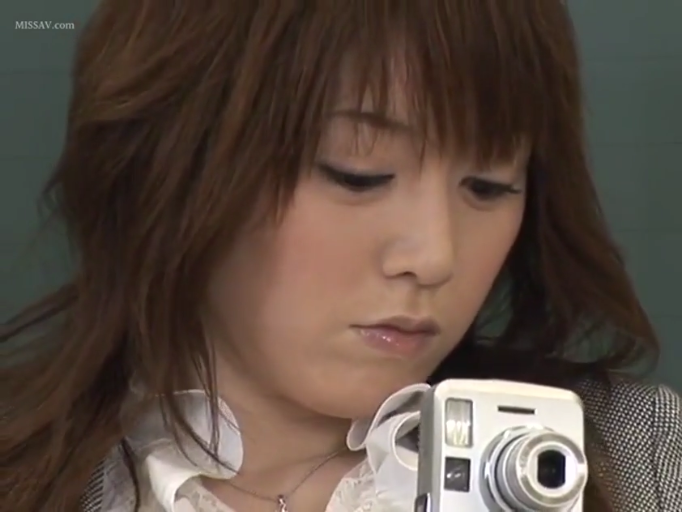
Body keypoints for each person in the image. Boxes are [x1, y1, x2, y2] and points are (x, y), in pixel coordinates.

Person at [3, 1, 681, 511]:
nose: (434, 257)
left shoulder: (640, 458)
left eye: (489, 185)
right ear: (172, 164)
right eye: (357, 173)